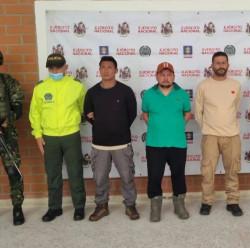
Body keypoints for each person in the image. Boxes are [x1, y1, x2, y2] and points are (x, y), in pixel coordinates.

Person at [29, 53, 86, 222]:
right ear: (48, 68)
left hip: (71, 135)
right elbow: (35, 113)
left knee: (75, 171)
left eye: (58, 67)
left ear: (66, 67)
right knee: (53, 173)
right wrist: (38, 135)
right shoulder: (40, 87)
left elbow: (83, 108)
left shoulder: (76, 86)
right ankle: (54, 207)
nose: (55, 70)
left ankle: (79, 207)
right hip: (49, 137)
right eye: (51, 68)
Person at [84, 56, 139, 221]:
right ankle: (102, 206)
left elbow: (131, 114)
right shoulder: (92, 92)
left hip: (121, 143)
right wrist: (101, 122)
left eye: (110, 67)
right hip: (100, 144)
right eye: (103, 67)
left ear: (116, 70)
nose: (106, 70)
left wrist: (118, 126)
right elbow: (88, 115)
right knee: (99, 178)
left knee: (127, 176)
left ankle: (130, 205)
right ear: (99, 70)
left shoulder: (125, 91)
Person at [194, 51, 243, 216]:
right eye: (217, 63)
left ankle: (233, 201)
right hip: (210, 136)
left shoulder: (235, 85)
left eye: (223, 63)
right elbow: (198, 111)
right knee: (207, 171)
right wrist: (207, 128)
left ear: (228, 65)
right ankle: (206, 202)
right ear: (212, 65)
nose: (220, 65)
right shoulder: (203, 86)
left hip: (231, 135)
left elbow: (234, 108)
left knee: (233, 170)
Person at [142, 62, 191, 222]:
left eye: (169, 74)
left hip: (177, 143)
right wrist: (158, 128)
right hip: (155, 143)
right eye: (162, 74)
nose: (165, 78)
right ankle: (155, 207)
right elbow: (145, 114)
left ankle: (179, 205)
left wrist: (176, 128)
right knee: (155, 175)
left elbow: (187, 113)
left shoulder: (182, 94)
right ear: (156, 76)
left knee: (178, 174)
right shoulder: (148, 94)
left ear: (174, 76)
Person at [0, 50, 25, 225]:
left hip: (6, 135)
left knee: (13, 172)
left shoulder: (8, 82)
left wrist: (4, 123)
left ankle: (17, 208)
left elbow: (18, 110)